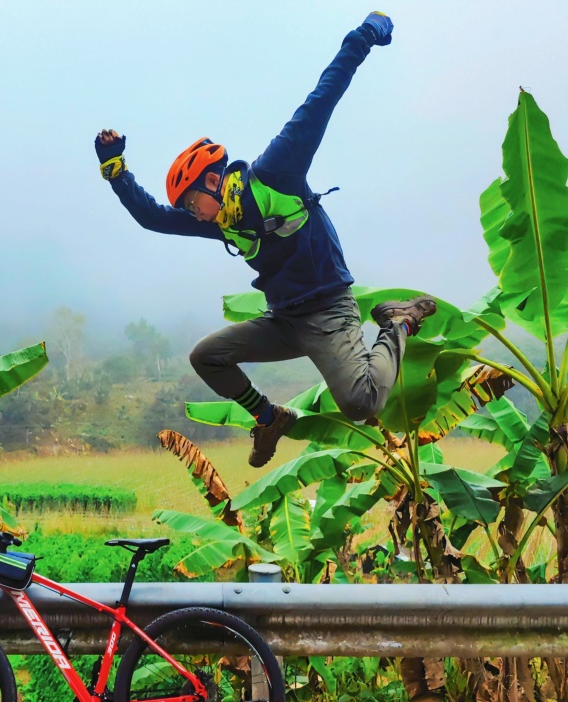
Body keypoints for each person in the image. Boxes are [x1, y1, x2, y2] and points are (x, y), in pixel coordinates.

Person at [95, 11, 436, 467]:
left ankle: (398, 323)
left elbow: (324, 96)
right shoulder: (218, 221)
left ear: (213, 180)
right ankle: (269, 418)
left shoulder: (276, 170)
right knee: (206, 356)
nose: (191, 213)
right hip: (284, 320)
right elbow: (152, 218)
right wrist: (115, 169)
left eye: (192, 202)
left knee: (361, 402)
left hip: (329, 312)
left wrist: (365, 35)